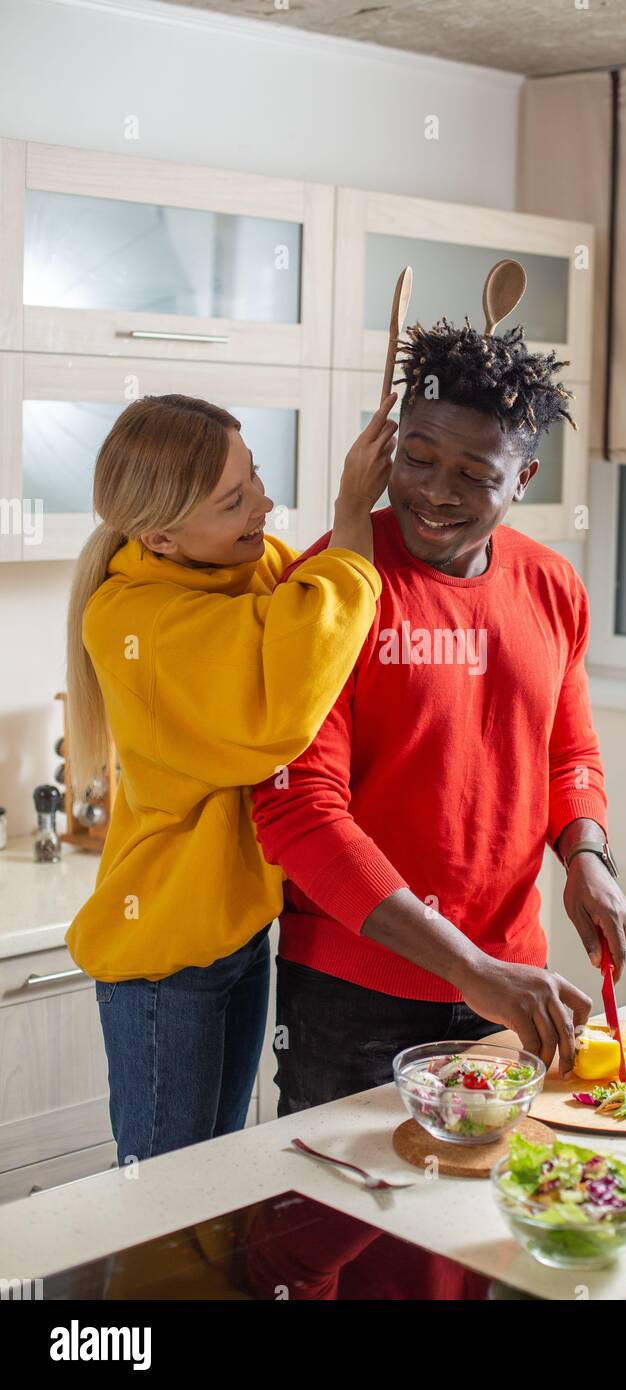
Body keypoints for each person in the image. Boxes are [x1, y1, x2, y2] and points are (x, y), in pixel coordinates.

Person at [251, 321, 626, 1113]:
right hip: (354, 998)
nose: (436, 491)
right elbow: (298, 811)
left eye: (474, 473)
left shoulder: (552, 586)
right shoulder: (334, 588)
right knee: (340, 1223)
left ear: (523, 476)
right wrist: (468, 968)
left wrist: (587, 855)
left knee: (485, 1214)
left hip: (513, 979)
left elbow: (571, 756)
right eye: (418, 458)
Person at [65, 391, 397, 1162]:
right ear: (161, 535)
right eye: (234, 500)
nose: (265, 505)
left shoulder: (247, 565)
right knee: (160, 1206)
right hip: (165, 959)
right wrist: (353, 509)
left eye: (255, 477)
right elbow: (277, 715)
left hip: (238, 934)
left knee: (215, 1182)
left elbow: (310, 608)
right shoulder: (134, 620)